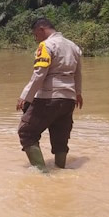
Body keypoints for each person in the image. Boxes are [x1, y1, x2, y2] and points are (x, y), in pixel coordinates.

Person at [16, 18, 83, 172]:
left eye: (35, 34)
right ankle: (61, 170)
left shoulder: (46, 45)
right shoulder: (73, 46)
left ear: (41, 29)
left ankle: (42, 173)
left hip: (49, 97)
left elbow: (39, 74)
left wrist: (25, 96)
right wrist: (78, 93)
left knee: (26, 132)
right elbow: (78, 73)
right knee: (60, 136)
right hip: (68, 99)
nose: (36, 38)